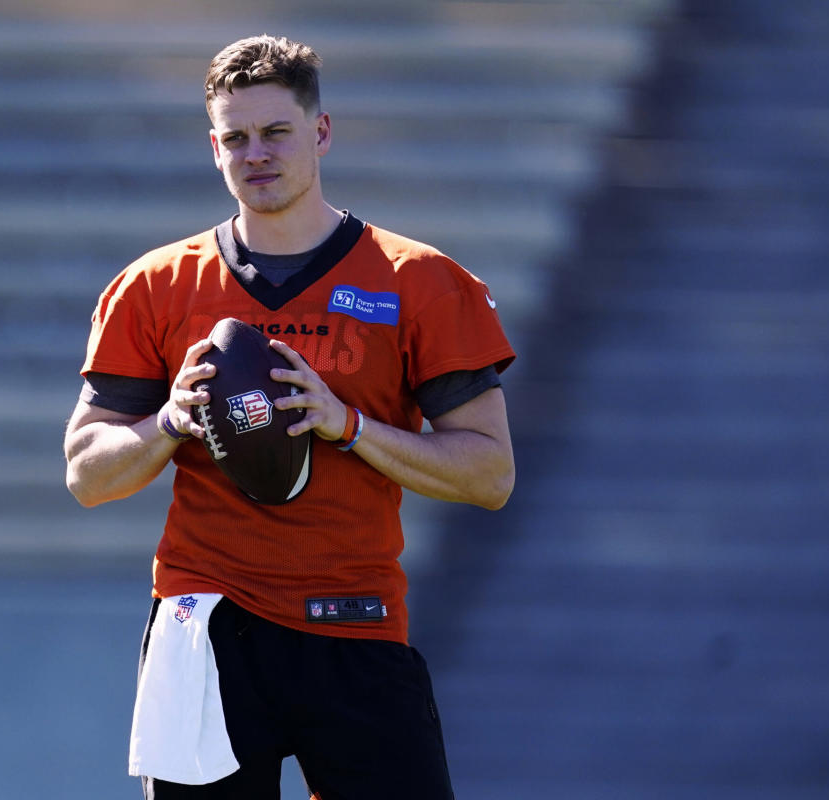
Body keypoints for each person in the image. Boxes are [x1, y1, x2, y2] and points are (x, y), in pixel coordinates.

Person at [64, 34, 515, 800]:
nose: (256, 153)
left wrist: (349, 425)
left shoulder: (421, 282)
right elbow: (85, 472)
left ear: (322, 131)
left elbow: (491, 474)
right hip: (203, 627)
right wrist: (171, 420)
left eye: (276, 132)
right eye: (235, 138)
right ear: (214, 149)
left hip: (354, 620)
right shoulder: (155, 286)